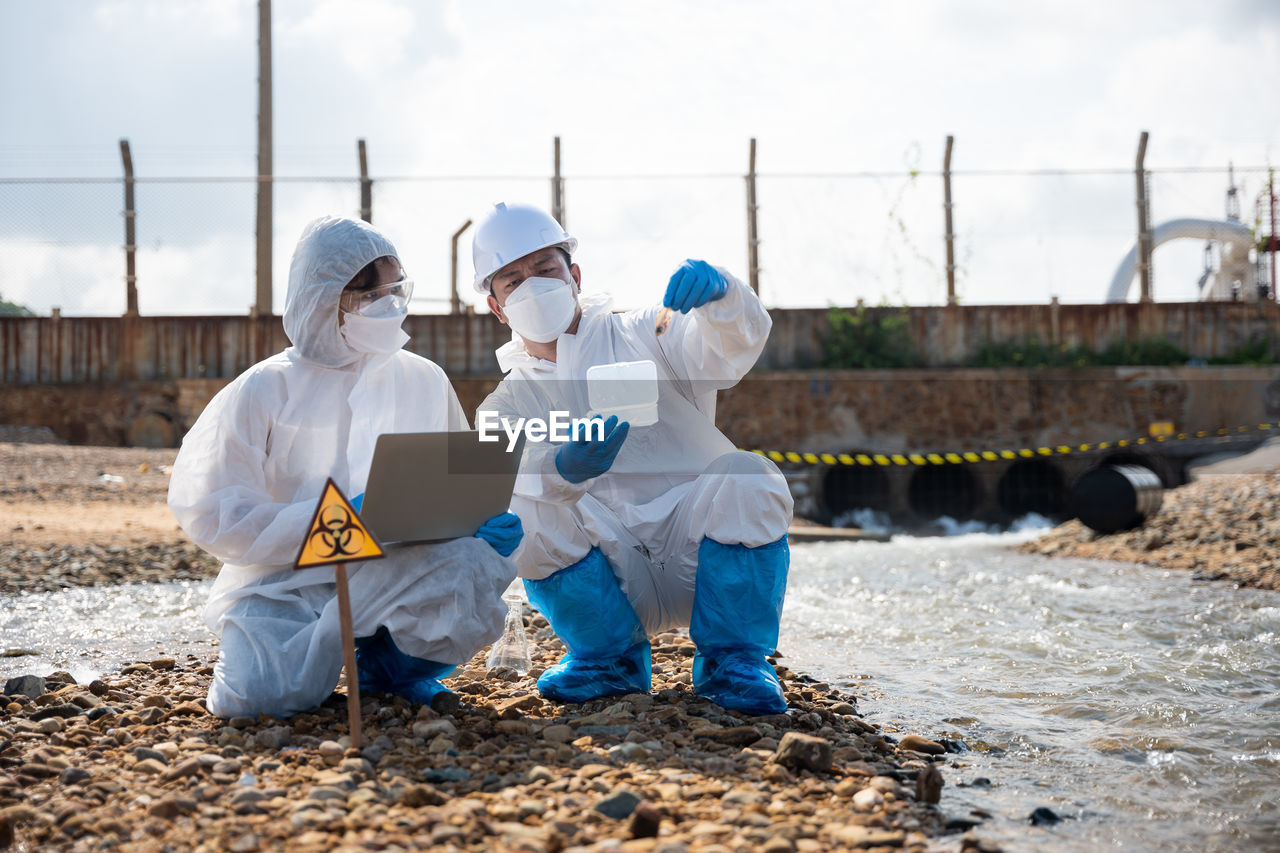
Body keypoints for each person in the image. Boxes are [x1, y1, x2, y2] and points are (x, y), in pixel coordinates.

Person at [169, 215, 522, 719]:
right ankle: (313, 660)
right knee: (254, 700)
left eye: (394, 291)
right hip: (281, 580)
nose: (388, 306)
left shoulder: (422, 380)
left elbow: (455, 480)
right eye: (368, 294)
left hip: (393, 568)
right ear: (322, 297)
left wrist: (478, 524)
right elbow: (211, 510)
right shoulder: (265, 389)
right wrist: (333, 522)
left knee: (471, 567)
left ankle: (388, 671)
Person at [472, 202, 793, 716]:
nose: (533, 285)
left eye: (546, 270)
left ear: (574, 275)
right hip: (610, 585)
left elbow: (729, 351)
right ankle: (608, 660)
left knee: (749, 475)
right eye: (513, 280)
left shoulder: (651, 333)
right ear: (496, 306)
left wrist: (724, 296)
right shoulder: (506, 405)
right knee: (523, 509)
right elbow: (502, 483)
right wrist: (560, 468)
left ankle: (734, 660)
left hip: (704, 561)